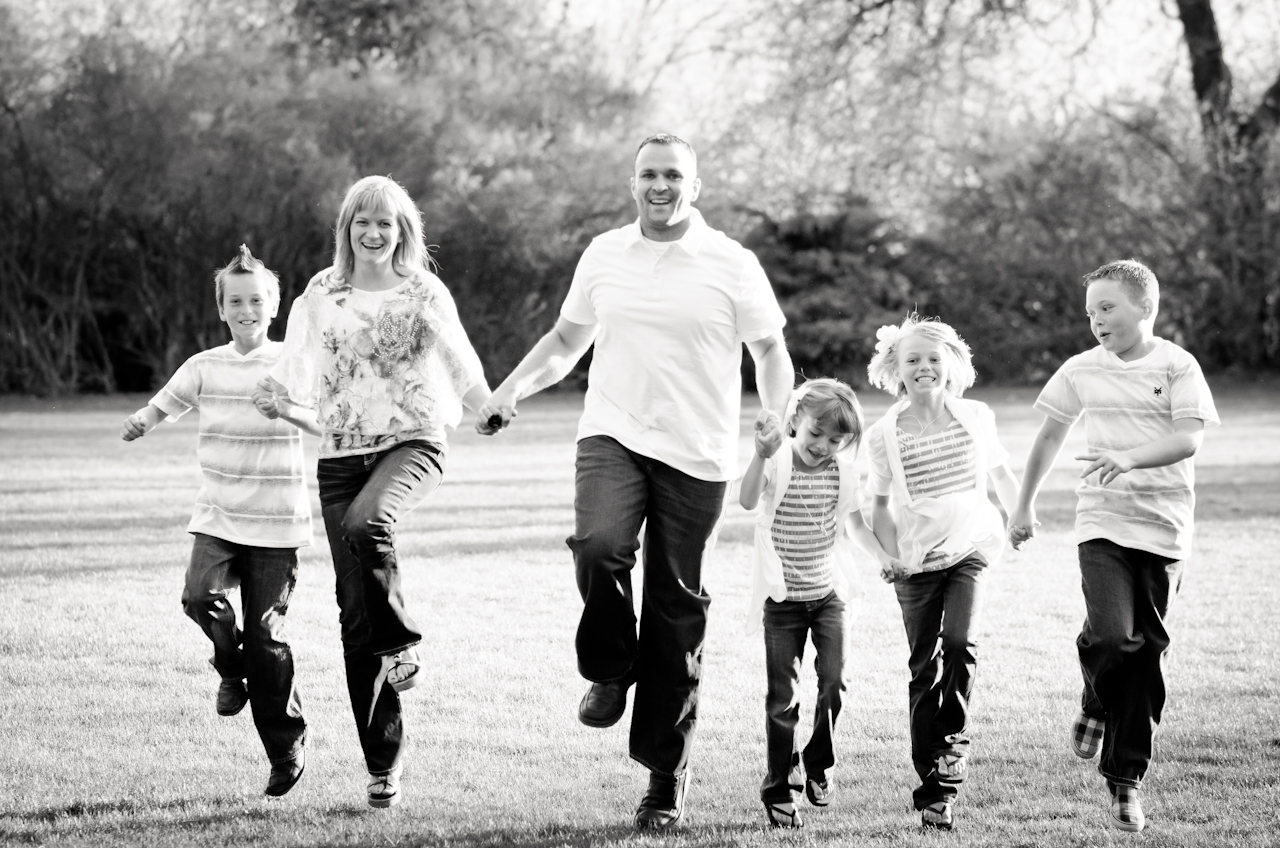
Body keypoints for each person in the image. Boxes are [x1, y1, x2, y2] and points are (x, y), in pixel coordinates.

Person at [477, 133, 794, 830]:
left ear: (694, 186)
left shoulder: (730, 262)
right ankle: (611, 667)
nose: (660, 185)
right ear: (632, 183)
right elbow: (567, 341)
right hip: (613, 431)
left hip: (698, 453)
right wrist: (510, 389)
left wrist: (775, 414)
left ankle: (664, 779)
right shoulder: (604, 253)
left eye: (673, 175)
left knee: (677, 610)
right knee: (598, 545)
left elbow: (770, 349)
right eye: (649, 173)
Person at [255, 175, 492, 809]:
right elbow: (295, 365)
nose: (374, 232)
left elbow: (458, 358)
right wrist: (276, 393)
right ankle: (383, 763)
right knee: (355, 615)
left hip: (414, 443)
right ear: (347, 229)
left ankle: (403, 641)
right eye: (362, 221)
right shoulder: (322, 292)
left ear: (402, 230)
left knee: (367, 522)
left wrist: (485, 404)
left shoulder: (423, 291)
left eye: (386, 221)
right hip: (339, 457)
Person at [1008, 259, 1218, 833]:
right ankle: (1096, 701)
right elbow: (1050, 434)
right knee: (1110, 636)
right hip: (1102, 522)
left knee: (1146, 654)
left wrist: (1128, 457)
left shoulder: (1178, 365)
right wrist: (1023, 505)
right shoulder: (1081, 369)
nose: (1096, 320)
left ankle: (1125, 781)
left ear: (1145, 307)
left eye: (1107, 307)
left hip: (1165, 529)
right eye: (1090, 312)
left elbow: (1189, 438)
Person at [120, 245, 313, 798]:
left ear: (273, 306)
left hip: (275, 521)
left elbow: (325, 419)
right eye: (236, 301)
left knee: (266, 639)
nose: (246, 309)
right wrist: (142, 420)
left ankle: (286, 749)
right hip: (219, 513)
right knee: (198, 596)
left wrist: (287, 409)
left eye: (256, 300)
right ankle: (230, 666)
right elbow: (165, 403)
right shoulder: (204, 364)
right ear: (221, 309)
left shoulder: (293, 363)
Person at [864, 315, 1021, 831]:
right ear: (897, 369)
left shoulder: (975, 416)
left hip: (969, 548)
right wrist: (890, 557)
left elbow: (1000, 473)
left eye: (933, 358)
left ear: (951, 363)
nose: (924, 367)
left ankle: (952, 746)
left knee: (958, 642)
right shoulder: (884, 435)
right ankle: (933, 790)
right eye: (912, 359)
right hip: (915, 563)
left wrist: (1020, 513)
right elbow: (879, 505)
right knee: (922, 670)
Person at [739, 378, 898, 829]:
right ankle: (779, 789)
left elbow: (856, 526)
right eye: (815, 433)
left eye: (835, 440)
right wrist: (760, 454)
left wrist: (883, 558)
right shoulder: (777, 462)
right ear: (795, 422)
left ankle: (818, 763)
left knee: (835, 681)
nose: (822, 446)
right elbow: (747, 500)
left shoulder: (843, 474)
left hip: (830, 596)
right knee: (782, 699)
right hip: (783, 601)